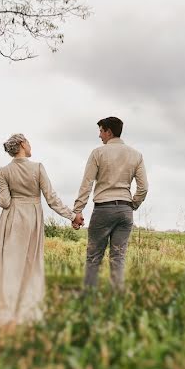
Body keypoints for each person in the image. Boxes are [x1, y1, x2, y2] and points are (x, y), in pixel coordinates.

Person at [0, 133, 77, 327]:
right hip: (32, 219)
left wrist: (3, 188)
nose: (30, 145)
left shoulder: (4, 172)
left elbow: (4, 202)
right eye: (28, 142)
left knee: (10, 265)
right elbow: (51, 199)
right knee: (30, 264)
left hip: (11, 220)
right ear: (22, 144)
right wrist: (72, 216)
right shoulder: (38, 168)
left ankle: (7, 310)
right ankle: (26, 312)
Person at [72, 116, 148, 291]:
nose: (99, 136)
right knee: (118, 257)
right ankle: (117, 301)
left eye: (101, 131)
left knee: (93, 257)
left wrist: (77, 211)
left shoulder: (98, 153)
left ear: (108, 132)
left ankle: (88, 298)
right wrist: (132, 205)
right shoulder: (136, 155)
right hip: (124, 211)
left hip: (103, 210)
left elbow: (87, 183)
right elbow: (143, 187)